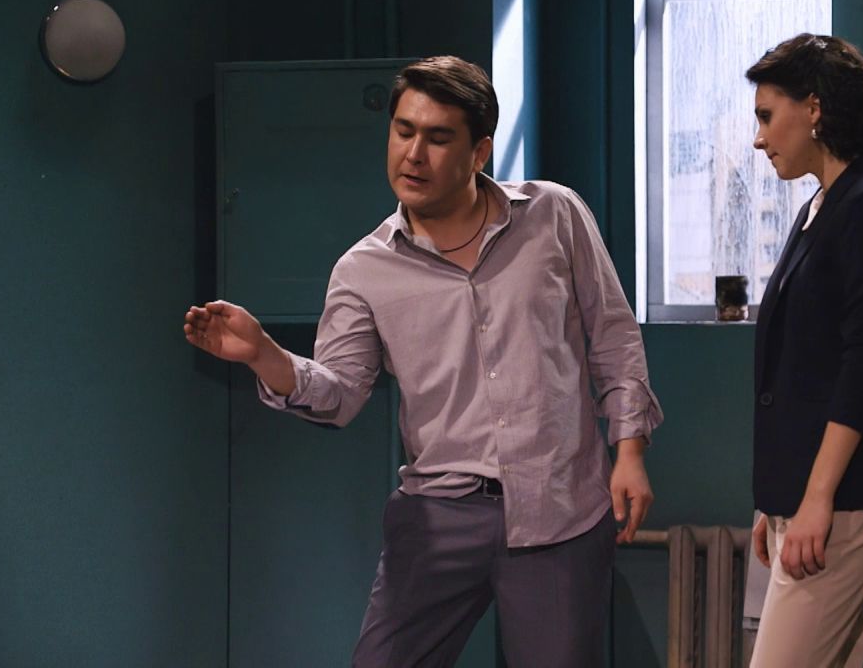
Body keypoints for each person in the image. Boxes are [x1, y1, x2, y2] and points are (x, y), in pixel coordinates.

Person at [183, 56, 662, 667]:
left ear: (479, 151)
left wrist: (629, 452)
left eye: (437, 138)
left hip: (560, 510)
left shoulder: (555, 215)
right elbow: (340, 394)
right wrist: (264, 354)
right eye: (403, 131)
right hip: (437, 514)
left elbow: (613, 335)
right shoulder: (363, 269)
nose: (413, 155)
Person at [746, 34, 863, 667]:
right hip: (814, 492)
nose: (758, 139)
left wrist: (815, 497)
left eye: (767, 116)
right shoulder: (825, 205)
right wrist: (778, 501)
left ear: (814, 108)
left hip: (848, 494)